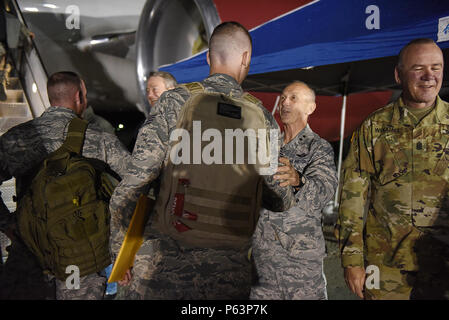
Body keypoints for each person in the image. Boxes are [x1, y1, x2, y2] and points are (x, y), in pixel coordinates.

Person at [109, 21, 295, 299]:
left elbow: (134, 183)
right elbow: (279, 197)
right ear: (246, 58)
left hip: (164, 267)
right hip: (228, 272)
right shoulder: (263, 119)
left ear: (208, 57)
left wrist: (119, 249)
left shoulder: (174, 103)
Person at [0, 71, 131, 299]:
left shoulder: (16, 139)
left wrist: (8, 224)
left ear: (51, 98)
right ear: (79, 96)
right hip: (81, 261)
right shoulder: (99, 139)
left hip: (29, 255)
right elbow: (137, 185)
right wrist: (121, 248)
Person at [335, 38, 449, 300]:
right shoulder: (374, 127)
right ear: (398, 75)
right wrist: (352, 260)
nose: (429, 76)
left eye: (436, 67)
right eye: (418, 68)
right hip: (385, 268)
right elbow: (351, 197)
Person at [250, 81, 338, 300]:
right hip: (263, 264)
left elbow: (324, 191)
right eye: (283, 98)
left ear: (311, 108)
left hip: (301, 266)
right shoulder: (267, 145)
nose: (284, 103)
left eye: (293, 98)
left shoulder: (318, 148)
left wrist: (298, 180)